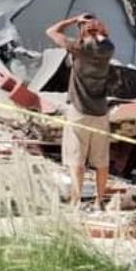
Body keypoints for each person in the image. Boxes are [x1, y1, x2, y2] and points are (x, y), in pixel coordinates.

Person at [46, 13, 114, 208]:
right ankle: (99, 201)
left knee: (77, 159)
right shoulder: (107, 49)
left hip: (79, 110)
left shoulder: (78, 48)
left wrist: (74, 20)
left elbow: (51, 31)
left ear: (82, 31)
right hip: (100, 112)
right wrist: (98, 27)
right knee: (101, 161)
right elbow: (106, 36)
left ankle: (76, 201)